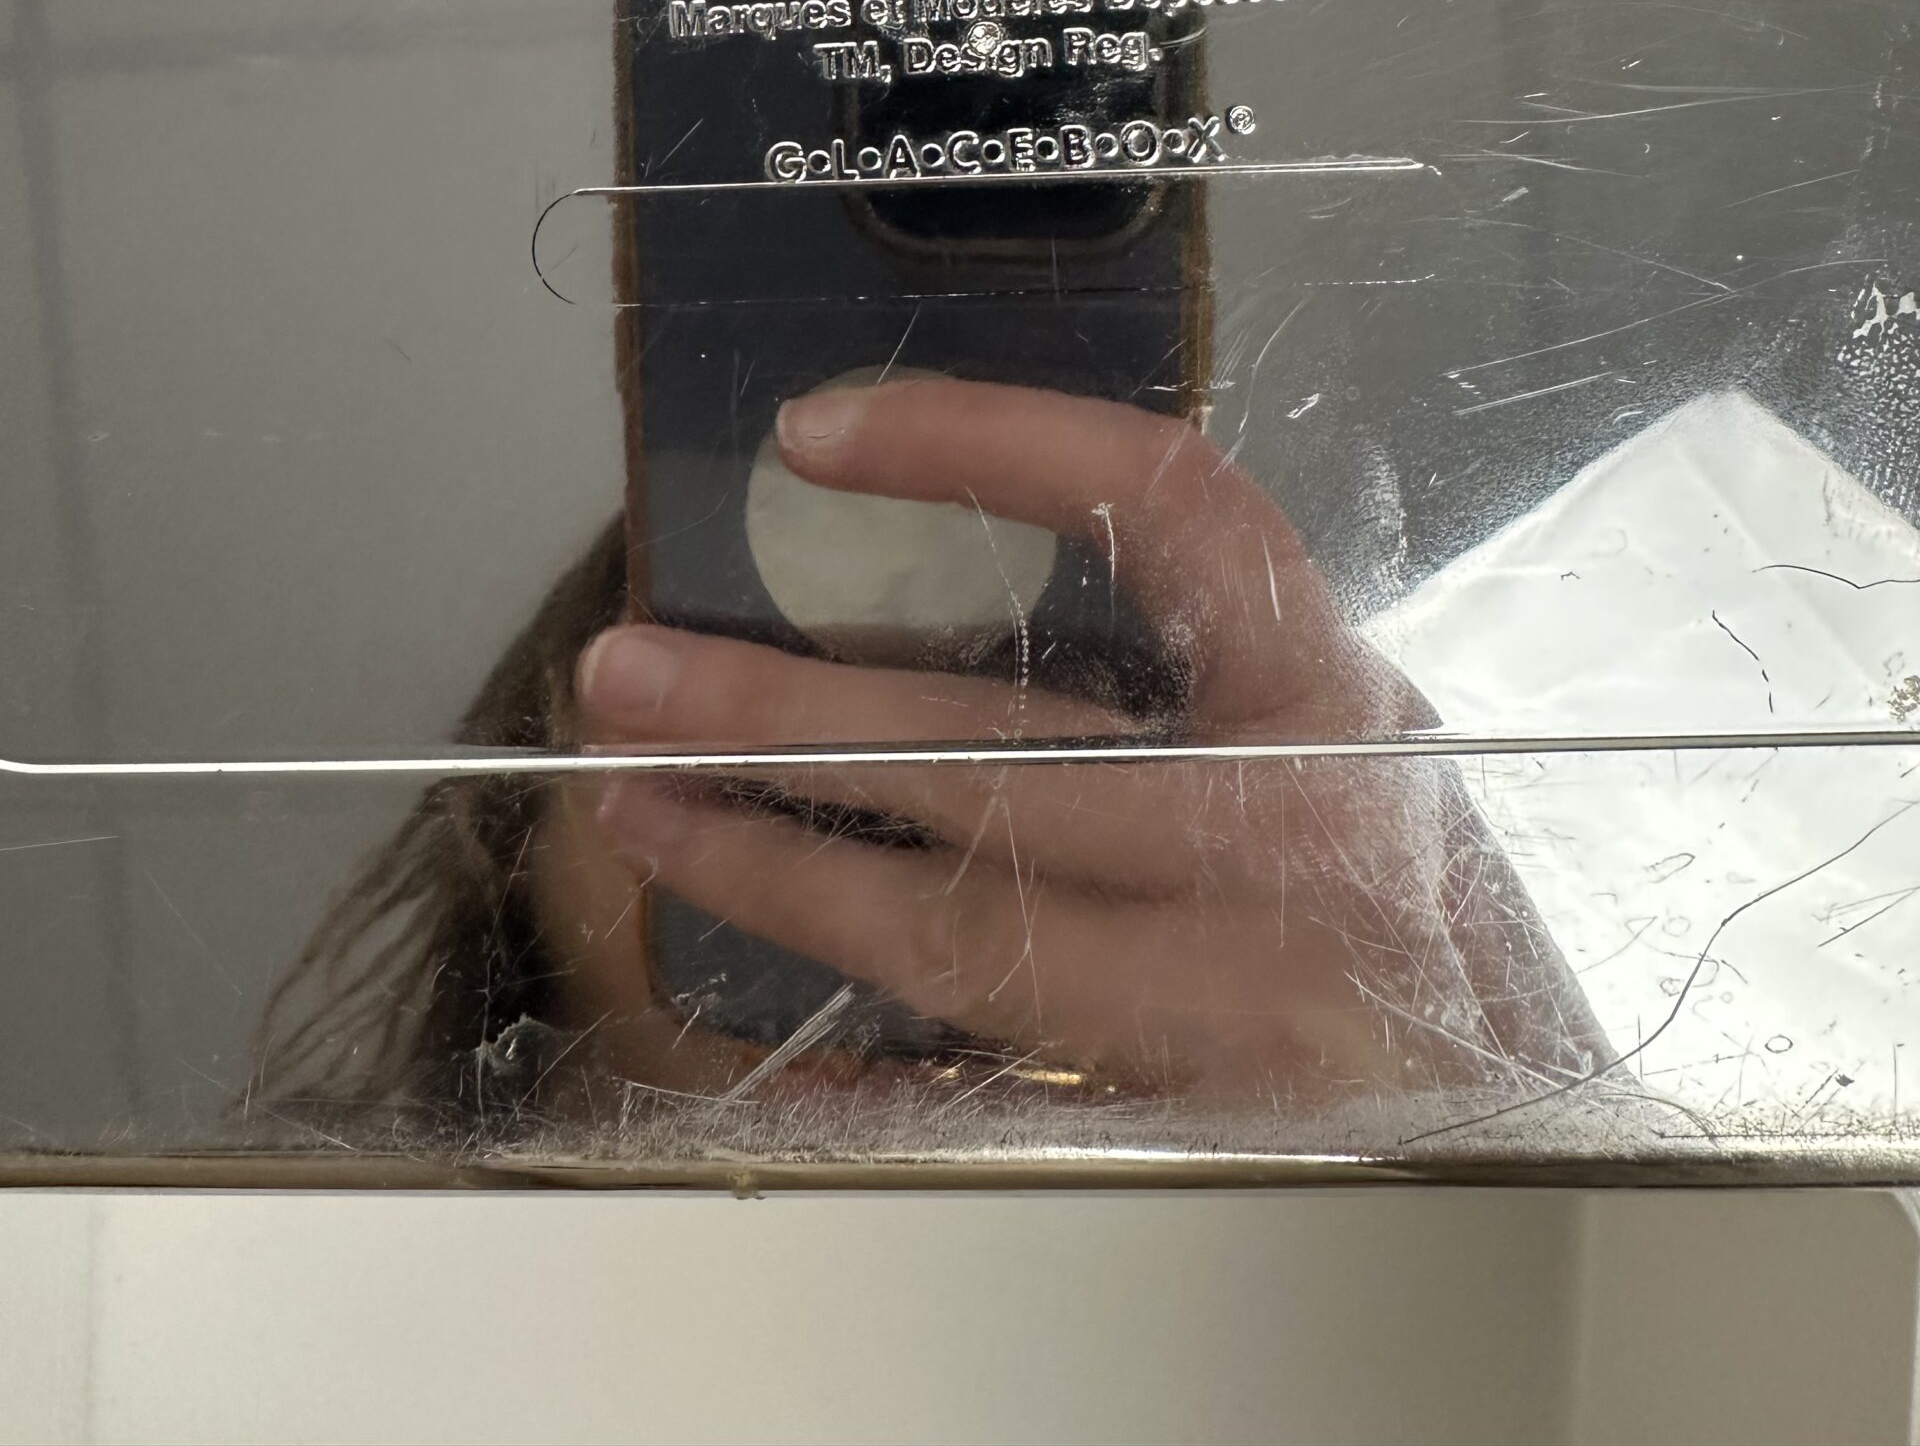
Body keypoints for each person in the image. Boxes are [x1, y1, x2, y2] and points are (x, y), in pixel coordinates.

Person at [258, 375, 1602, 1124]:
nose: (895, 825)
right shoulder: (263, 1282)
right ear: (517, 834)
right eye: (759, 753)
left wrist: (1427, 1129)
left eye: (1057, 744)